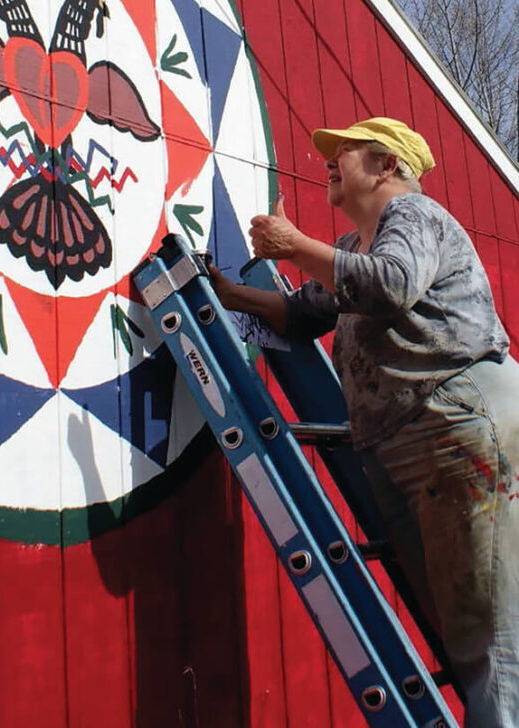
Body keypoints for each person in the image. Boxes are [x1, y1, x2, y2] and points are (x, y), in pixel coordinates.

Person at [210, 116, 519, 728]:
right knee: (456, 624)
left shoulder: (414, 217)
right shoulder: (356, 250)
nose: (329, 160)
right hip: (410, 442)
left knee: (488, 631)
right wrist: (226, 291)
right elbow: (302, 315)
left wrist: (294, 246)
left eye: (345, 152)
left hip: (456, 423)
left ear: (387, 168)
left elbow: (393, 287)